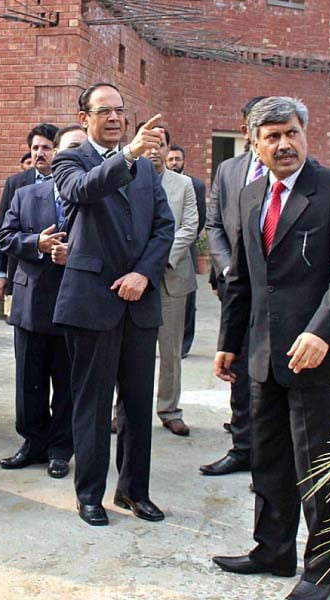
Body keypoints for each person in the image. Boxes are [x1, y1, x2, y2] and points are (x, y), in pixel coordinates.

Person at [212, 97, 330, 600]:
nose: (284, 144)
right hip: (262, 355)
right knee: (270, 461)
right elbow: (242, 278)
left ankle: (323, 572)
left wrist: (321, 331)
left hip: (317, 358)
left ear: (305, 134)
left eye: (291, 133)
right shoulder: (250, 194)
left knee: (319, 469)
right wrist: (229, 343)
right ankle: (272, 549)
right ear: (254, 144)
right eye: (272, 136)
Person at [52, 82, 174, 526]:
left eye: (120, 110)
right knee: (92, 402)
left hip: (139, 302)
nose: (115, 118)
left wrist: (144, 273)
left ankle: (133, 491)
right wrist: (128, 157)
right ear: (84, 118)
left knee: (138, 405)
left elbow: (165, 226)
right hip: (92, 302)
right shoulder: (70, 159)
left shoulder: (145, 169)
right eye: (104, 111)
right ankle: (89, 494)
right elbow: (80, 190)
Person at [0, 125, 87, 479]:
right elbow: (6, 237)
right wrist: (38, 243)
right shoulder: (27, 193)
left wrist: (74, 254)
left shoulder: (93, 197)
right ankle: (32, 442)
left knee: (66, 380)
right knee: (29, 379)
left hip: (74, 300)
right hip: (31, 299)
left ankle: (61, 448)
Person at [199, 96, 266, 477]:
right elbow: (214, 226)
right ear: (245, 130)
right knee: (235, 368)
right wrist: (227, 270)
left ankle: (272, 457)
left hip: (279, 292)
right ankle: (242, 448)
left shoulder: (299, 169)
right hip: (235, 291)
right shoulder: (228, 170)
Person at [145, 127, 198, 435]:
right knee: (129, 351)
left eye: (160, 145)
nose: (154, 150)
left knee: (170, 351)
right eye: (149, 143)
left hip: (170, 276)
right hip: (133, 279)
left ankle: (169, 409)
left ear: (168, 150)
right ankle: (121, 409)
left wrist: (159, 259)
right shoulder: (127, 178)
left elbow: (190, 226)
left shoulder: (184, 185)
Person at [0, 124, 59, 303]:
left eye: (46, 148)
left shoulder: (68, 180)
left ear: (57, 151)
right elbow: (2, 229)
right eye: (35, 148)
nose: (39, 153)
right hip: (22, 270)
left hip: (58, 270)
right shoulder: (16, 183)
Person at [165, 143, 206, 358]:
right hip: (163, 247)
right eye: (170, 159)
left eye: (177, 159)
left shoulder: (194, 185)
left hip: (185, 248)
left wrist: (181, 242)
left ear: (184, 161)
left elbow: (199, 220)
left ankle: (184, 345)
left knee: (187, 301)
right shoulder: (156, 183)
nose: (173, 163)